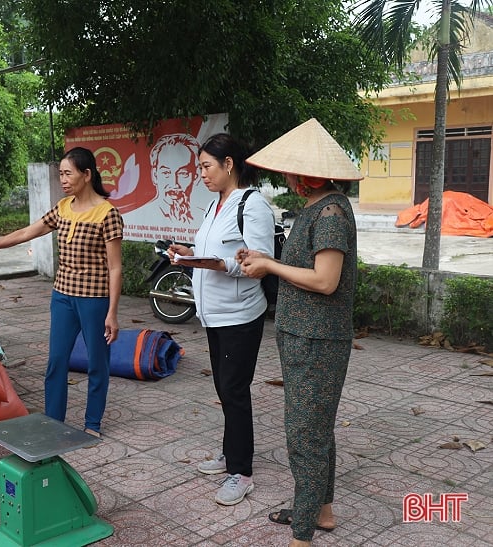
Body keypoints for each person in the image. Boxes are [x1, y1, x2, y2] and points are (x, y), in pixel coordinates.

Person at [238, 118, 360, 546]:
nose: (286, 178)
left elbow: (325, 280)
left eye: (290, 172)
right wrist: (263, 257)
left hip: (317, 341)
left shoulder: (328, 213)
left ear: (306, 175)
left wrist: (269, 265)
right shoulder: (318, 207)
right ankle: (320, 511)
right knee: (315, 429)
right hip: (302, 336)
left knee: (305, 436)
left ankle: (302, 535)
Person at [0, 147, 123, 438]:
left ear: (87, 175)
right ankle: (53, 422)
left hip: (95, 301)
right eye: (60, 173)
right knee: (56, 362)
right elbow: (25, 233)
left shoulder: (107, 214)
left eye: (68, 173)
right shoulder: (63, 208)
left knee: (98, 363)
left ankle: (92, 424)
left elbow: (115, 268)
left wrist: (112, 312)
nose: (63, 179)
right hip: (62, 297)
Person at [167, 133, 275, 506]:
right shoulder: (216, 205)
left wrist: (219, 264)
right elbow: (215, 249)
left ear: (229, 164)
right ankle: (231, 454)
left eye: (206, 167)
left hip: (240, 315)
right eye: (200, 168)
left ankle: (241, 472)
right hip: (214, 315)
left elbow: (257, 264)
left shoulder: (254, 205)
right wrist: (190, 253)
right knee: (225, 389)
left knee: (234, 390)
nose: (202, 175)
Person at [149, 133, 201, 222]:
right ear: (155, 175)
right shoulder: (141, 214)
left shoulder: (205, 218)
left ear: (196, 177)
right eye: (166, 173)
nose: (174, 184)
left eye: (183, 174)